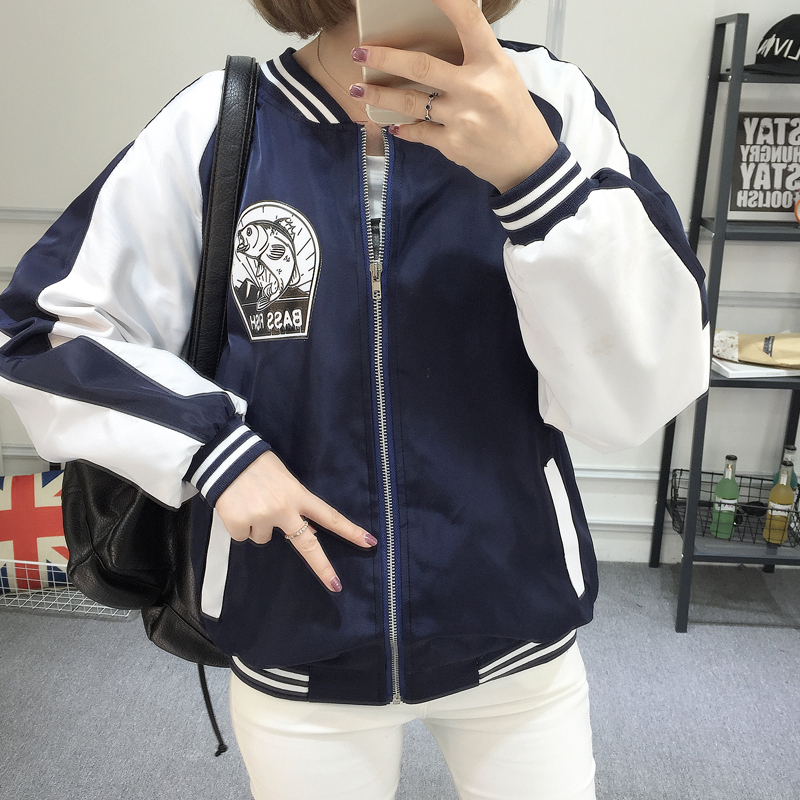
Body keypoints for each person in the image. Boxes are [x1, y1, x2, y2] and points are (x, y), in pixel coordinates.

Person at [0, 0, 709, 797]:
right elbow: (43, 331)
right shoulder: (223, 121)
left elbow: (645, 380)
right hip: (296, 635)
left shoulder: (547, 101)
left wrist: (536, 179)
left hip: (514, 625)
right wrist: (214, 448)